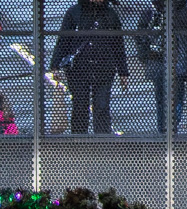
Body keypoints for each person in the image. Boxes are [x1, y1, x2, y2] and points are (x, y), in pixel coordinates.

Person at [50, 0, 129, 135]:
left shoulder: (110, 15)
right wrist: (55, 64)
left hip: (104, 67)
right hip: (78, 69)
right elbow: (63, 40)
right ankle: (79, 141)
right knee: (80, 105)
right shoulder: (74, 12)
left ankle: (102, 142)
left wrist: (123, 72)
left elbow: (118, 44)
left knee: (102, 106)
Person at [135, 0, 187, 133]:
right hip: (177, 61)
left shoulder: (151, 10)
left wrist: (146, 52)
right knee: (176, 96)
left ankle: (164, 129)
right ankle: (171, 127)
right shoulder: (185, 11)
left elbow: (139, 35)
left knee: (162, 97)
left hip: (158, 60)